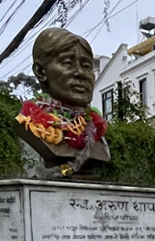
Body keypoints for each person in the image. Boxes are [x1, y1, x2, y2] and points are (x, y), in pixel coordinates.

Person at [15, 28, 109, 175]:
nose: (80, 73)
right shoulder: (28, 125)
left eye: (86, 66)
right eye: (67, 63)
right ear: (41, 71)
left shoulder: (95, 132)